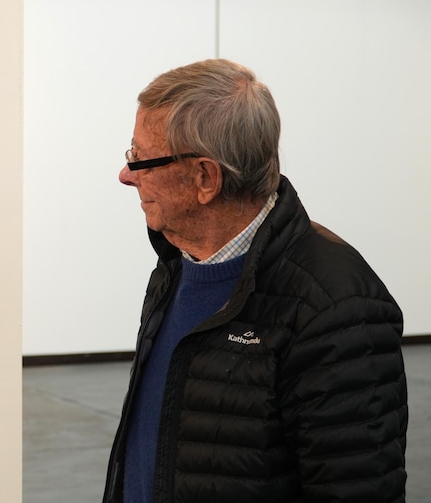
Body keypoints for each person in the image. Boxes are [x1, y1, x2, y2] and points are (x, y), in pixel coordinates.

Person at [104, 59, 408, 503]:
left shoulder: (337, 308)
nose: (126, 175)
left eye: (140, 158)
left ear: (204, 178)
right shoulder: (176, 265)